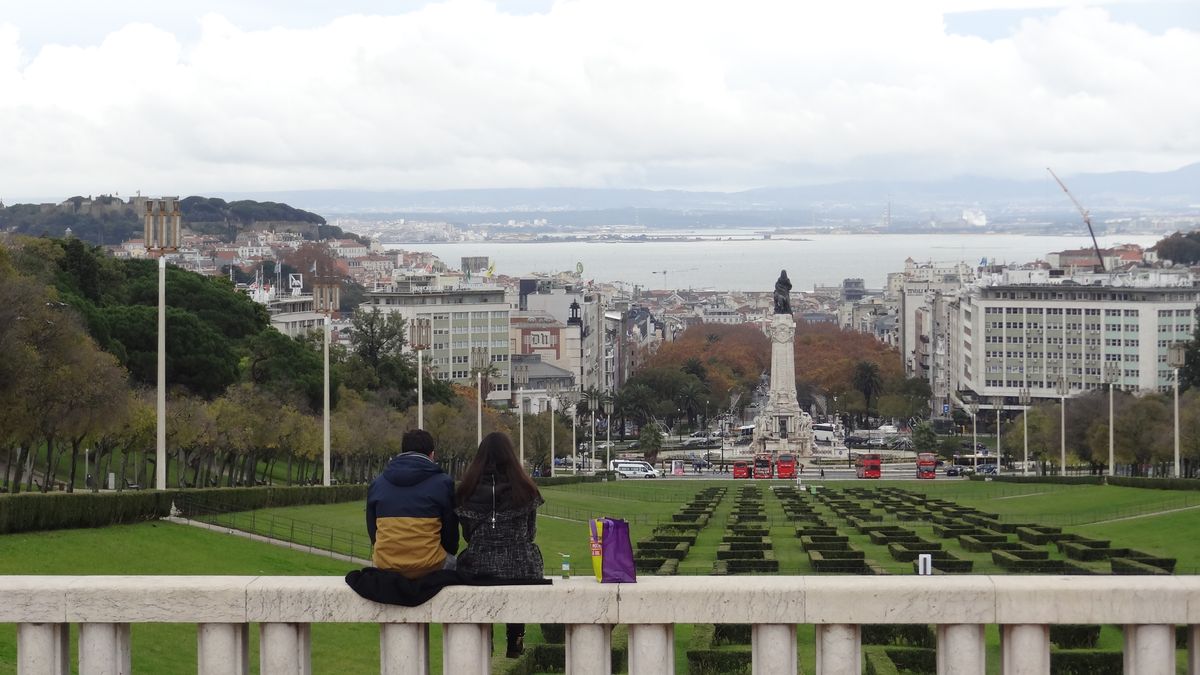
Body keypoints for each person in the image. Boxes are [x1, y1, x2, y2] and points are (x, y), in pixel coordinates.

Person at [455, 432, 545, 659]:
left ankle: (484, 639)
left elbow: (467, 534)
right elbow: (529, 533)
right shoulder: (526, 489)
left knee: (473, 567)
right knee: (520, 566)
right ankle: (516, 638)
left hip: (478, 565)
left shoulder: (466, 490)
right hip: (520, 565)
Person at [366, 429, 458, 579]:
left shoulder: (377, 483)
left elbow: (373, 533)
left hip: (386, 565)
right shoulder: (443, 483)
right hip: (430, 565)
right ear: (432, 455)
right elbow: (451, 537)